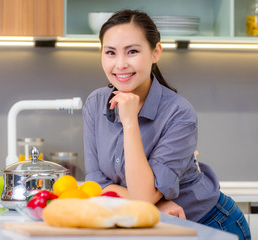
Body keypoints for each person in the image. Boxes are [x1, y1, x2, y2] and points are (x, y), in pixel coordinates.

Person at [82, 9, 251, 240]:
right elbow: (95, 186)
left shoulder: (178, 113)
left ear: (155, 52)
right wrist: (155, 204)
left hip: (209, 224)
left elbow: (140, 197)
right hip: (156, 225)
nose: (120, 64)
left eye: (132, 51)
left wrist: (130, 121)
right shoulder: (95, 104)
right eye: (110, 52)